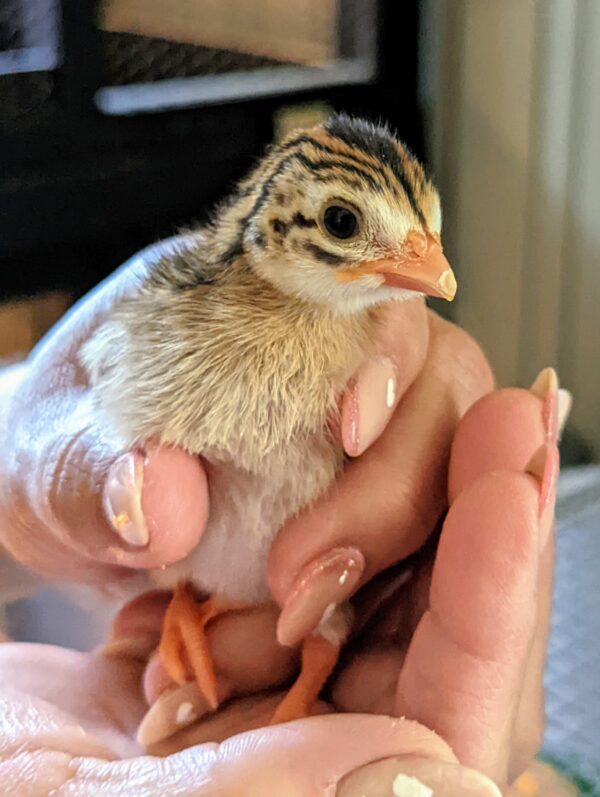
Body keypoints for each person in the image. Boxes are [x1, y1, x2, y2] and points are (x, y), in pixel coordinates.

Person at [0, 241, 566, 796]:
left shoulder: (345, 350)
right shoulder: (201, 328)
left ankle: (301, 663)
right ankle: (220, 623)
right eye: (344, 224)